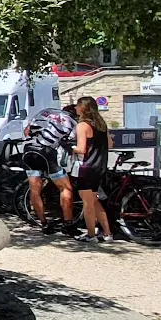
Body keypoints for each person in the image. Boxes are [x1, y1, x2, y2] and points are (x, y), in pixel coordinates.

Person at [21, 102, 79, 233]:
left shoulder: (45, 111)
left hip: (29, 150)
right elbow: (73, 141)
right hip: (46, 152)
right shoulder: (72, 122)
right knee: (65, 188)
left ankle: (44, 223)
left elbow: (27, 131)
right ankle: (68, 224)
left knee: (35, 190)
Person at [71, 96, 113, 242]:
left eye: (77, 106)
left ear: (83, 108)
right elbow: (110, 144)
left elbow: (82, 149)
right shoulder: (101, 124)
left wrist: (70, 147)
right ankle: (107, 233)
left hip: (86, 167)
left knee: (88, 203)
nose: (75, 108)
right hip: (99, 165)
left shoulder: (82, 125)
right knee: (95, 200)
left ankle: (91, 235)